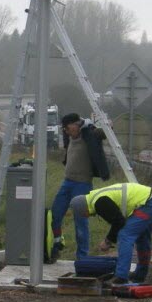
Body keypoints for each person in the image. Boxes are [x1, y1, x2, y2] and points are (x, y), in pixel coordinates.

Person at [70, 182, 152, 284]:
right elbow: (118, 221)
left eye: (82, 214)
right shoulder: (95, 198)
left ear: (83, 209)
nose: (85, 216)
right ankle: (140, 274)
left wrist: (107, 241)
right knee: (142, 239)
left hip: (147, 204)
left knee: (125, 235)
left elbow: (119, 222)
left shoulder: (99, 203)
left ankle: (121, 276)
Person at [49, 112, 110, 261]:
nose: (67, 132)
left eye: (68, 129)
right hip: (67, 182)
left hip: (82, 185)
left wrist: (108, 125)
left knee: (80, 222)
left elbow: (105, 132)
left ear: (76, 125)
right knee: (55, 216)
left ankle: (82, 257)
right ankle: (57, 245)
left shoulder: (89, 134)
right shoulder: (69, 136)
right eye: (65, 130)